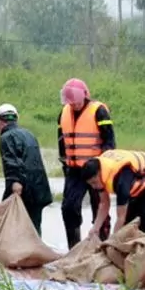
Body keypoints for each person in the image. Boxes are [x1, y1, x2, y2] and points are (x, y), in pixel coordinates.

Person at [58, 78, 116, 248]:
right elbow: (62, 142)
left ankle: (103, 245)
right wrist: (65, 165)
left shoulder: (99, 111)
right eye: (71, 103)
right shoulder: (63, 113)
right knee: (68, 208)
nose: (74, 105)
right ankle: (74, 248)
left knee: (100, 208)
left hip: (97, 169)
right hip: (74, 170)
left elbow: (110, 142)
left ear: (85, 95)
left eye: (77, 102)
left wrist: (104, 168)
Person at [0, 103, 53, 236]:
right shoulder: (29, 134)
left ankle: (19, 253)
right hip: (39, 188)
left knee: (12, 224)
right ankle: (36, 253)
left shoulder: (6, 137)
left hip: (22, 188)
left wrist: (14, 182)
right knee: (34, 226)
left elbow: (11, 162)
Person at [83, 149, 145, 238]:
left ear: (99, 173)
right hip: (135, 183)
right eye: (90, 184)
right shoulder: (102, 173)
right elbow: (104, 203)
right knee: (128, 225)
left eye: (94, 182)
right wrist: (95, 228)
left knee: (138, 222)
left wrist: (113, 239)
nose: (94, 187)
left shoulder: (121, 182)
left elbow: (121, 217)